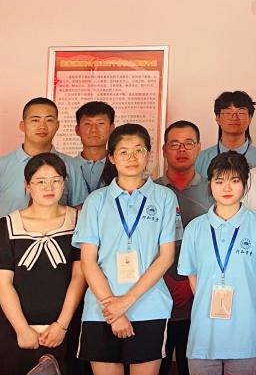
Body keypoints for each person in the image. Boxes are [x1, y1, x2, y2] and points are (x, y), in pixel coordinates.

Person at [73, 123, 180, 375]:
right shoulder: (96, 200)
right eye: (123, 152)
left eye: (139, 150)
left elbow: (166, 257)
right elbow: (88, 261)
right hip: (101, 310)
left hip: (149, 307)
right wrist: (113, 309)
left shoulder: (165, 197)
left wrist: (126, 302)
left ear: (149, 154)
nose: (132, 157)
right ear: (111, 157)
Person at [0, 153, 87, 375]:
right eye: (40, 181)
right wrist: (22, 329)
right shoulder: (7, 225)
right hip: (15, 331)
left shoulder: (79, 222)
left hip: (66, 329)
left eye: (56, 180)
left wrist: (61, 325)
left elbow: (80, 276)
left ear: (64, 183)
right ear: (27, 185)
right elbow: (3, 283)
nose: (49, 187)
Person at [178, 152, 256, 375]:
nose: (227, 188)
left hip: (245, 333)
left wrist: (249, 305)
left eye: (235, 180)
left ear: (245, 183)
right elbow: (192, 276)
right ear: (210, 184)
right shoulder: (195, 228)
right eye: (219, 181)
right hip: (203, 334)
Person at [156, 121, 214, 375]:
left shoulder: (214, 190)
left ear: (199, 148)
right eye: (175, 144)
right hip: (158, 293)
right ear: (163, 149)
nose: (182, 149)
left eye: (188, 143)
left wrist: (190, 284)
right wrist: (165, 280)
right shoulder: (151, 191)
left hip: (200, 295)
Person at [0, 97, 84, 233]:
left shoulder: (71, 166)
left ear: (57, 125)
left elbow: (79, 216)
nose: (42, 126)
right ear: (22, 125)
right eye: (35, 120)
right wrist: (6, 241)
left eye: (49, 120)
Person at [196, 91, 256, 177]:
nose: (234, 117)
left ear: (250, 118)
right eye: (228, 113)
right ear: (217, 118)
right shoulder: (201, 159)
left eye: (241, 113)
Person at [74, 101, 116, 197]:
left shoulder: (120, 166)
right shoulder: (67, 166)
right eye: (87, 124)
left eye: (100, 123)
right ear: (77, 130)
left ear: (111, 128)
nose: (93, 130)